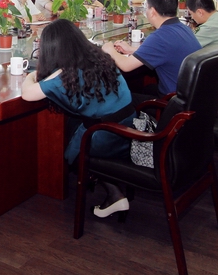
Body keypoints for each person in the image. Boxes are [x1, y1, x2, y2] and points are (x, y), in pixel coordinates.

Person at [21, 19, 135, 217]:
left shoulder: (63, 77)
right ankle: (108, 185)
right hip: (129, 124)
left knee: (68, 144)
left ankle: (113, 193)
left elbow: (27, 94)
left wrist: (31, 75)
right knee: (72, 122)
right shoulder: (101, 57)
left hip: (106, 135)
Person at [102, 0, 200, 98]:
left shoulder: (160, 36)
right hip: (192, 95)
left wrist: (109, 49)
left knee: (123, 98)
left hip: (173, 99)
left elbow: (126, 66)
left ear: (152, 11)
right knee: (147, 89)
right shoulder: (183, 28)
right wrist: (131, 50)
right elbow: (167, 51)